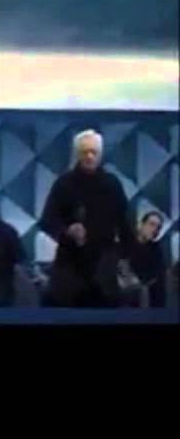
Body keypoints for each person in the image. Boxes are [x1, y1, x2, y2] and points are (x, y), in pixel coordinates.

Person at [39, 129, 135, 308]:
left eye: (94, 152)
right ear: (77, 154)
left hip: (104, 265)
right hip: (69, 265)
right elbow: (47, 221)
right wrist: (67, 230)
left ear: (100, 154)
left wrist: (122, 256)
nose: (89, 156)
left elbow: (125, 224)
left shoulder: (112, 184)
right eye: (85, 152)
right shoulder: (64, 183)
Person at [122, 211, 167, 307]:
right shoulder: (125, 244)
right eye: (152, 224)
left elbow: (155, 276)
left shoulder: (156, 250)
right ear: (141, 225)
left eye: (158, 227)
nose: (155, 230)